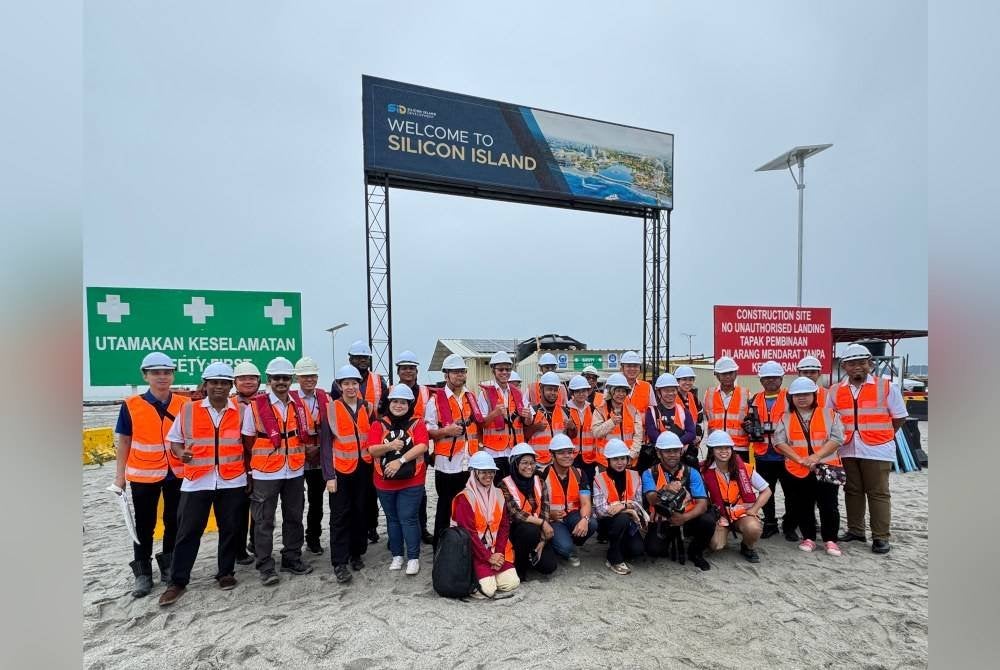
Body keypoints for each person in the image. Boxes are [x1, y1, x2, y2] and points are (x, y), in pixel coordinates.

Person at [158, 363, 248, 606]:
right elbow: (174, 441)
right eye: (214, 382)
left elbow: (248, 444)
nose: (218, 386)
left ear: (230, 386)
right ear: (205, 384)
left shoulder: (241, 410)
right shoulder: (189, 410)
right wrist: (180, 454)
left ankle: (226, 572)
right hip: (197, 480)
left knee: (230, 529)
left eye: (223, 382)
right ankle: (177, 581)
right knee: (187, 532)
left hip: (232, 479)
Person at [113, 352, 191, 597]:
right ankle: (143, 572)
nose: (162, 377)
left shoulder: (183, 404)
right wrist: (120, 477)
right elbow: (124, 441)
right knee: (144, 525)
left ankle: (169, 565)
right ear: (145, 375)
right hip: (143, 474)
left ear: (173, 375)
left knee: (174, 521)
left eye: (167, 372)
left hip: (176, 472)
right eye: (156, 372)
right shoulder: (131, 405)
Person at [829, 343, 908, 554]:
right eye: (852, 363)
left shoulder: (886, 387)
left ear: (870, 364)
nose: (857, 367)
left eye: (862, 363)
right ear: (844, 366)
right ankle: (856, 530)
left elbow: (899, 417)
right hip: (847, 448)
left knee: (878, 492)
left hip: (877, 448)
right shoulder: (836, 391)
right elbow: (829, 418)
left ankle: (880, 536)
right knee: (852, 490)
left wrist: (883, 435)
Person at [241, 356, 312, 585]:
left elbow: (304, 434)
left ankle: (291, 557)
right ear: (269, 380)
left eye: (285, 378)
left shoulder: (298, 405)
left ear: (291, 379)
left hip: (293, 470)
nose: (281, 382)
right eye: (276, 378)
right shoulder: (256, 406)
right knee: (264, 521)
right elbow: (249, 440)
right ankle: (265, 566)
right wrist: (253, 471)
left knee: (294, 517)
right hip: (265, 473)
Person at [773, 377, 845, 556]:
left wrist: (816, 457)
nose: (801, 398)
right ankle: (809, 537)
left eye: (806, 394)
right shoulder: (786, 417)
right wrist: (799, 459)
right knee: (803, 504)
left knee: (829, 505)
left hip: (826, 467)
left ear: (814, 395)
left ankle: (830, 540)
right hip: (798, 468)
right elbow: (779, 442)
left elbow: (837, 439)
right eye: (797, 395)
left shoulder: (829, 414)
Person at [367, 384, 429, 575]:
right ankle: (397, 555)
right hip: (384, 482)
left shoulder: (417, 423)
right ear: (389, 402)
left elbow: (423, 446)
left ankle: (413, 557)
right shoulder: (378, 424)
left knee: (408, 519)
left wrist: (400, 461)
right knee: (392, 519)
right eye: (395, 401)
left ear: (409, 404)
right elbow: (372, 449)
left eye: (403, 402)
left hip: (412, 480)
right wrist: (391, 446)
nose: (399, 405)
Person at [321, 364, 375, 584]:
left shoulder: (368, 407)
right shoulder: (331, 408)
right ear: (339, 386)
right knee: (340, 516)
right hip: (341, 470)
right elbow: (326, 444)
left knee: (361, 512)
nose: (351, 387)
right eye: (346, 384)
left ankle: (356, 552)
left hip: (364, 468)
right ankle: (340, 562)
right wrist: (329, 476)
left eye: (354, 383)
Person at [425, 354, 485, 546]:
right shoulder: (435, 400)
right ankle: (440, 549)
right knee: (444, 508)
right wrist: (446, 431)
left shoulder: (471, 397)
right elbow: (427, 431)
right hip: (447, 465)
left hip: (469, 462)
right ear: (446, 375)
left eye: (462, 371)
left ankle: (466, 547)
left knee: (468, 508)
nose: (460, 375)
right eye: (455, 372)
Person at [450, 451, 520, 599]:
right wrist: (488, 557)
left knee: (512, 582)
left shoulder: (499, 493)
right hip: (473, 553)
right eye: (483, 472)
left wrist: (499, 554)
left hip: (494, 550)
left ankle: (489, 576)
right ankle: (483, 577)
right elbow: (469, 534)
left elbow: (504, 527)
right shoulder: (465, 498)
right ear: (474, 473)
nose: (489, 475)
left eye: (492, 472)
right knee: (487, 590)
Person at [642, 432, 716, 570]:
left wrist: (684, 518)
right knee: (653, 550)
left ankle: (696, 552)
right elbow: (651, 499)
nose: (672, 454)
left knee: (708, 521)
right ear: (659, 453)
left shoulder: (691, 472)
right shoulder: (649, 473)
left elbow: (702, 504)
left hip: (688, 518)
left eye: (675, 450)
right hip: (662, 520)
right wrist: (665, 490)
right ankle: (668, 541)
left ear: (681, 451)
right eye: (667, 451)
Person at [747, 361, 795, 541]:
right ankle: (770, 523)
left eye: (774, 378)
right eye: (766, 378)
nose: (770, 381)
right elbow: (749, 420)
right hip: (762, 454)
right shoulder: (754, 400)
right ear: (761, 380)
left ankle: (789, 526)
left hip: (786, 454)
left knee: (791, 493)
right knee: (766, 491)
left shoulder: (790, 398)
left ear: (781, 379)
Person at [391, 350, 435, 544]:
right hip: (396, 447)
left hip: (419, 448)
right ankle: (397, 532)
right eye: (404, 368)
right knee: (395, 491)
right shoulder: (390, 391)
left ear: (417, 370)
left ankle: (421, 528)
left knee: (419, 493)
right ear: (398, 371)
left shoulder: (425, 392)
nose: (408, 371)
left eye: (411, 368)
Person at [290, 356, 330, 555]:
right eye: (305, 376)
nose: (309, 380)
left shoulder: (324, 397)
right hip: (298, 457)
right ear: (298, 377)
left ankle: (313, 538)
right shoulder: (290, 398)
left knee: (317, 501)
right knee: (296, 503)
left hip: (319, 458)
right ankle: (294, 543)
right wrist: (303, 449)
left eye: (312, 376)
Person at [499, 444, 557, 579]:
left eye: (532, 463)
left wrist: (543, 540)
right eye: (524, 463)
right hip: (515, 532)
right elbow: (515, 513)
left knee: (549, 566)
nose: (529, 467)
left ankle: (533, 553)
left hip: (538, 531)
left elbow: (545, 511)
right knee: (528, 531)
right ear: (515, 464)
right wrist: (542, 523)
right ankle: (520, 567)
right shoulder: (504, 484)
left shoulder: (540, 482)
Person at [592, 439, 646, 574]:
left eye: (623, 458)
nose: (620, 462)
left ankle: (619, 545)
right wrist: (628, 510)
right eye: (615, 459)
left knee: (637, 551)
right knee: (622, 518)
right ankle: (613, 557)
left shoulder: (635, 476)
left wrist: (623, 506)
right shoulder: (599, 479)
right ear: (608, 460)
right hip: (607, 522)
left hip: (629, 522)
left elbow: (639, 504)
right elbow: (601, 510)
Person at [477, 351, 532, 479]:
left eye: (507, 369)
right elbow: (481, 423)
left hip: (514, 451)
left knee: (513, 490)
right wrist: (494, 414)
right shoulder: (485, 393)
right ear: (493, 370)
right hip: (494, 452)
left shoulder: (517, 393)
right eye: (500, 369)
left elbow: (528, 422)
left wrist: (528, 416)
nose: (504, 372)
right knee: (497, 489)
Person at [544, 434, 597, 566]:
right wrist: (549, 514)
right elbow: (536, 505)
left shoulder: (579, 473)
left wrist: (584, 520)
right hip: (553, 520)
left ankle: (569, 542)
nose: (567, 456)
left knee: (592, 523)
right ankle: (561, 545)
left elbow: (586, 502)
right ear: (552, 455)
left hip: (572, 515)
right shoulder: (542, 475)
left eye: (570, 452)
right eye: (561, 453)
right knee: (565, 548)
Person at [231, 361, 261, 566]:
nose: (248, 382)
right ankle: (238, 550)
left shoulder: (266, 402)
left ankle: (256, 543)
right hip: (235, 465)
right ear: (235, 382)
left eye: (252, 378)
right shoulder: (228, 404)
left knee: (259, 509)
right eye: (243, 378)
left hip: (261, 463)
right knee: (238, 510)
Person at [643, 373, 696, 471]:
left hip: (680, 456)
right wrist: (667, 446)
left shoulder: (683, 411)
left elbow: (691, 433)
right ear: (659, 393)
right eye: (666, 390)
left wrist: (676, 445)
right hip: (658, 457)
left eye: (673, 390)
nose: (671, 393)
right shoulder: (652, 411)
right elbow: (652, 433)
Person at [525, 371, 578, 468]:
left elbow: (573, 435)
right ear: (541, 389)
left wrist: (572, 427)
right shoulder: (533, 411)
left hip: (558, 463)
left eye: (555, 390)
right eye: (549, 389)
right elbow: (524, 435)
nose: (553, 393)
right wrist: (535, 428)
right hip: (537, 463)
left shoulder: (565, 411)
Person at [703, 356, 750, 461]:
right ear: (717, 376)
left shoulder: (746, 394)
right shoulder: (708, 394)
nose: (727, 376)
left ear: (736, 374)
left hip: (739, 448)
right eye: (724, 374)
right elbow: (704, 419)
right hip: (715, 446)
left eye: (730, 373)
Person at [593, 373, 642, 468]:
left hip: (627, 461)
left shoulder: (633, 411)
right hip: (606, 462)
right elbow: (596, 433)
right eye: (618, 391)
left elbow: (638, 436)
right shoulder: (600, 410)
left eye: (624, 391)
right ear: (611, 392)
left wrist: (631, 455)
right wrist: (611, 422)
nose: (621, 394)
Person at [566, 375, 599, 483]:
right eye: (578, 391)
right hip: (571, 457)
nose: (581, 394)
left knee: (588, 486)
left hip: (589, 457)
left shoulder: (593, 409)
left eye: (584, 391)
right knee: (574, 484)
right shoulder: (565, 409)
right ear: (572, 393)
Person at [673, 365, 705, 450]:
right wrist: (683, 441)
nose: (687, 382)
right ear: (677, 381)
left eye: (690, 379)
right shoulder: (671, 398)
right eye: (684, 379)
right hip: (676, 444)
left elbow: (700, 421)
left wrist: (698, 437)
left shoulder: (694, 399)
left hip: (692, 443)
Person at [619, 351, 654, 416]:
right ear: (622, 368)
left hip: (641, 425)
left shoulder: (647, 387)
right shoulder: (613, 385)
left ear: (640, 369)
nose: (632, 369)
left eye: (635, 366)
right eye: (629, 366)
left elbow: (653, 411)